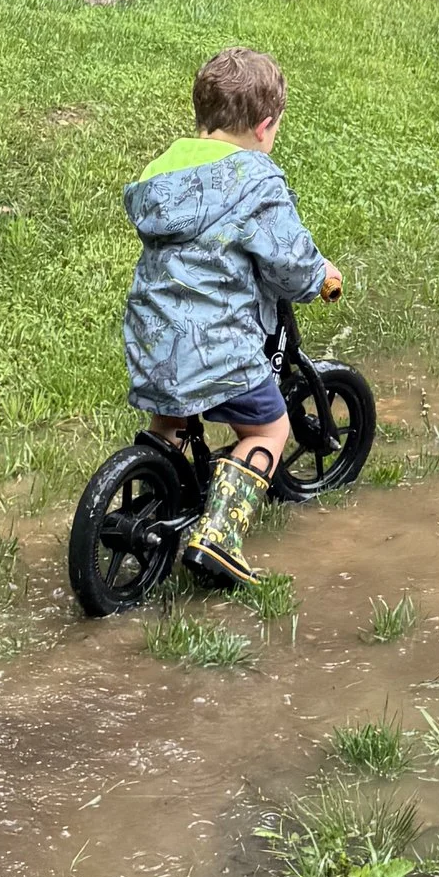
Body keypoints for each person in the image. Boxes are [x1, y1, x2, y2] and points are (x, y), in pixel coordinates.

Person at [122, 46, 342, 589]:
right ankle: (219, 536)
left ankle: (154, 487)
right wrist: (323, 279)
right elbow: (288, 263)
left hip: (152, 338)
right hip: (215, 347)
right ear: (265, 127)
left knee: (173, 417)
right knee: (269, 426)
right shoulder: (255, 180)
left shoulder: (164, 169)